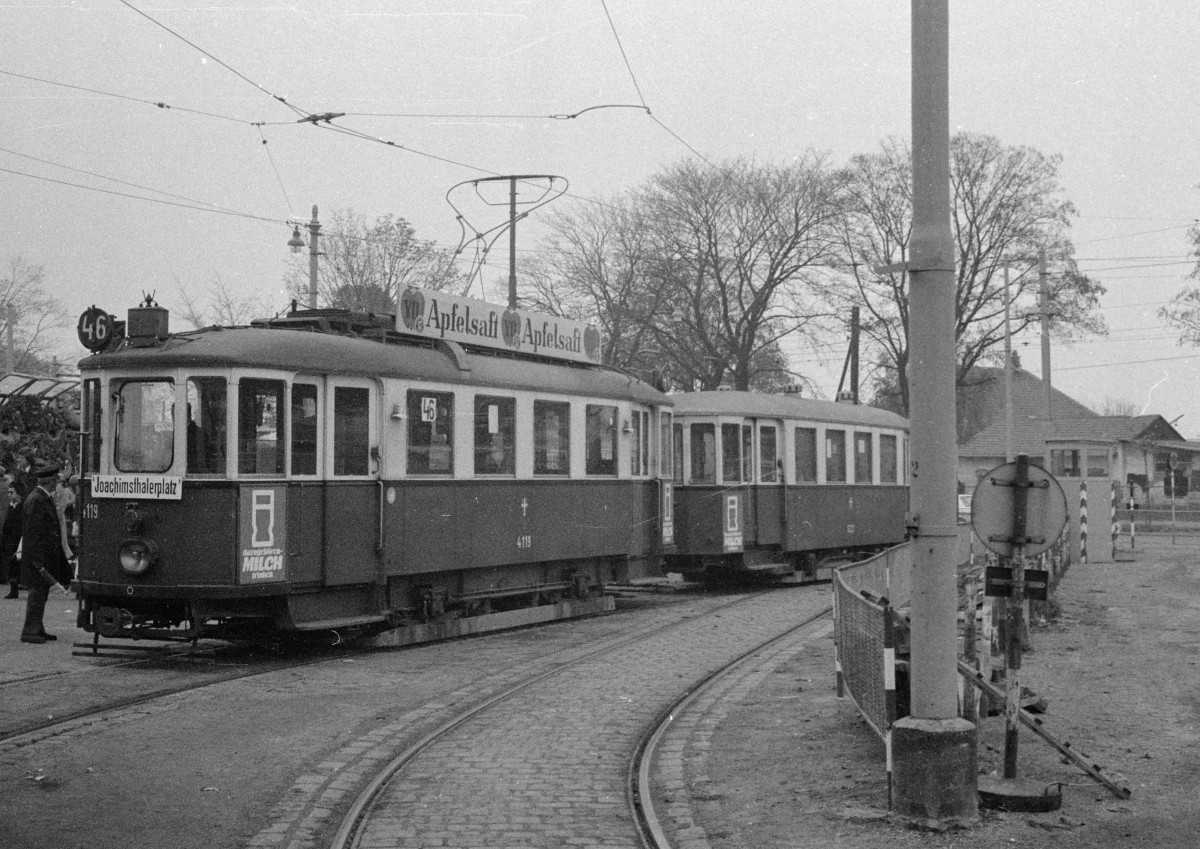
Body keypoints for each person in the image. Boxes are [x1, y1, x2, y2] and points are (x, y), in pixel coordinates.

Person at [19, 462, 72, 644]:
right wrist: (38, 561)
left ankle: (37, 628)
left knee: (41, 593)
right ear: (50, 482)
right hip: (37, 559)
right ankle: (30, 631)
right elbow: (33, 534)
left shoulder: (42, 498)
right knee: (37, 593)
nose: (58, 484)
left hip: (42, 557)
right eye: (56, 480)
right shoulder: (37, 500)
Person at [2, 484, 23, 598]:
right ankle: (13, 589)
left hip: (21, 540)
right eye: (8, 492)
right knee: (12, 565)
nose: (9, 495)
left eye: (12, 492)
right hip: (12, 541)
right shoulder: (10, 507)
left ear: (18, 494)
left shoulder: (22, 507)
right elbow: (6, 526)